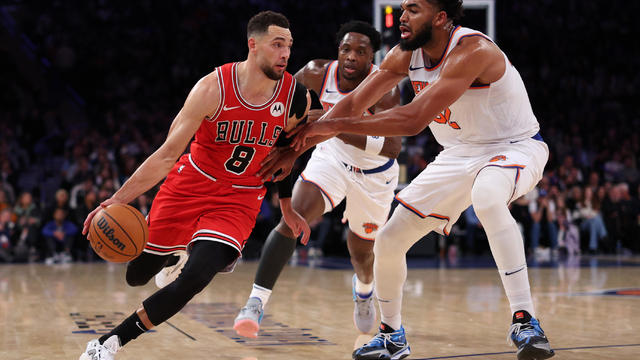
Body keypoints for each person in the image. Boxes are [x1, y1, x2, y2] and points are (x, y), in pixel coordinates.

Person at [281, 0, 555, 359]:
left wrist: (330, 125)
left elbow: (411, 120)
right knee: (390, 240)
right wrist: (297, 147)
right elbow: (350, 105)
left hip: (514, 146)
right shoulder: (404, 54)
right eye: (403, 8)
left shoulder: (472, 50)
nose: (403, 16)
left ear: (440, 18)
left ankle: (525, 319)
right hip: (458, 154)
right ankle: (392, 335)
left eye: (413, 9)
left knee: (488, 196)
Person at [78, 11, 311, 360]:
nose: (285, 54)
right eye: (277, 44)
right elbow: (165, 155)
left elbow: (291, 150)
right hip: (191, 183)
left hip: (240, 197)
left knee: (196, 277)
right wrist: (114, 201)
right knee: (137, 275)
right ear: (253, 45)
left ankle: (108, 344)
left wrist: (287, 205)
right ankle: (176, 253)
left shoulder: (295, 97)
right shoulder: (212, 88)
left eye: (289, 46)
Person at [233, 20, 402, 338]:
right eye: (346, 49)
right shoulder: (315, 73)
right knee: (291, 220)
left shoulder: (385, 89)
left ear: (372, 59)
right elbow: (281, 106)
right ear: (338, 51)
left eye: (361, 52)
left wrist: (332, 125)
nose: (352, 56)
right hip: (332, 160)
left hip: (375, 175)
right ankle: (255, 303)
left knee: (362, 255)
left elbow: (392, 147)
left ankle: (364, 291)